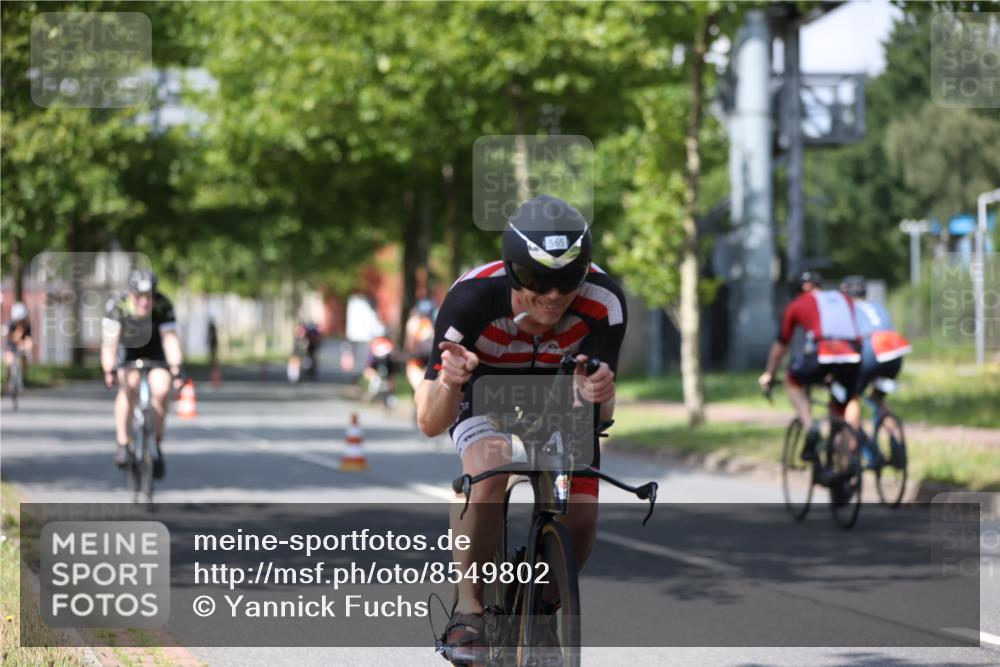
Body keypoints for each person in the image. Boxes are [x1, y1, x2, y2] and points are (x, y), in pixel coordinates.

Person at [415, 195, 626, 664]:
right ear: (512, 272)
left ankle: (544, 610)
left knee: (581, 516)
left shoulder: (604, 301)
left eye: (568, 279)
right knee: (488, 474)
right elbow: (429, 421)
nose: (553, 295)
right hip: (484, 389)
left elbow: (602, 412)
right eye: (536, 279)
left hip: (559, 395)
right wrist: (451, 380)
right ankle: (469, 611)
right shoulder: (472, 299)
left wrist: (601, 393)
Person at [758, 270, 863, 462]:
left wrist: (769, 373)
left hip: (824, 353)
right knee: (841, 407)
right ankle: (847, 465)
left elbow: (781, 344)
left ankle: (810, 428)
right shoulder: (842, 298)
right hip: (853, 355)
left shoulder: (797, 304)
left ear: (803, 288)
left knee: (792, 380)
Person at [100, 269, 186, 478]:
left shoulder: (163, 305)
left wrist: (177, 368)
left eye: (149, 297)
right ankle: (123, 443)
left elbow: (170, 340)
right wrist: (109, 369)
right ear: (131, 294)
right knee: (128, 386)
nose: (145, 302)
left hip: (154, 349)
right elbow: (109, 344)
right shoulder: (118, 306)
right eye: (139, 297)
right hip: (128, 350)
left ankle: (156, 445)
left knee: (162, 389)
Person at [839, 276, 911, 415]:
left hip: (871, 350)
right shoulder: (877, 306)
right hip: (894, 352)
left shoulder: (848, 308)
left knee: (853, 397)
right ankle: (893, 428)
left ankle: (851, 430)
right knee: (878, 398)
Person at [404, 298, 436, 392]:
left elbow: (410, 341)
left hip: (419, 354)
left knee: (412, 370)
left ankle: (422, 392)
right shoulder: (435, 320)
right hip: (433, 354)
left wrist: (410, 353)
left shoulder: (415, 321)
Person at [3, 301, 33, 388]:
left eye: (22, 320)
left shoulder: (27, 325)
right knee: (9, 361)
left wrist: (27, 346)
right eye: (19, 320)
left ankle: (23, 376)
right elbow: (10, 338)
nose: (20, 322)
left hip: (21, 345)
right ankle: (8, 381)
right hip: (10, 346)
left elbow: (29, 339)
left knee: (25, 357)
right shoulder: (10, 324)